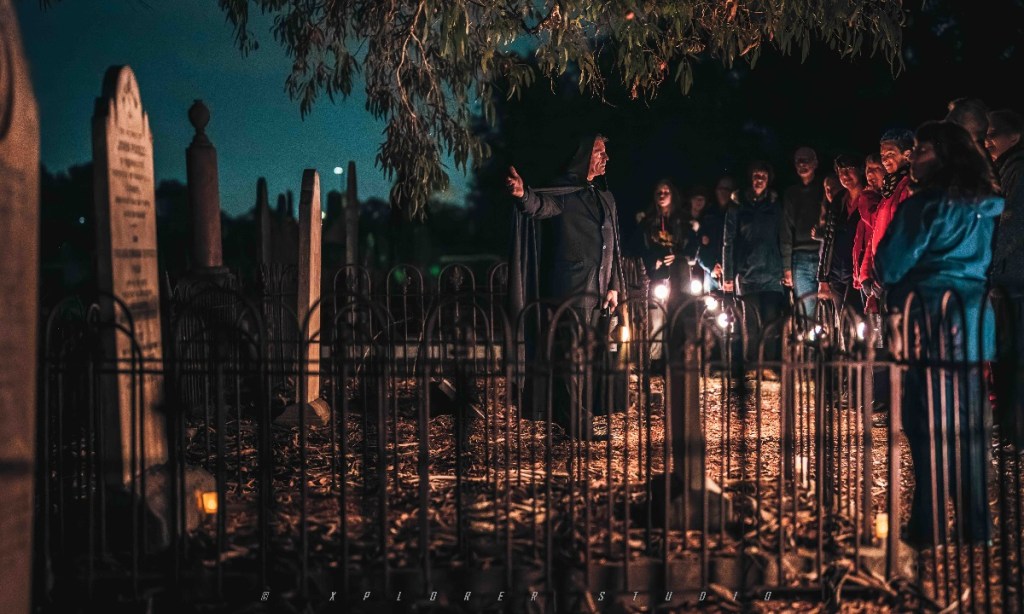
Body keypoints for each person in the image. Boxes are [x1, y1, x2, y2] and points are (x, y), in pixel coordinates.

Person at [875, 120, 1003, 547]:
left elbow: (890, 263)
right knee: (969, 423)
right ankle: (975, 524)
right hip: (970, 318)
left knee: (924, 420)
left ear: (944, 154)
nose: (912, 156)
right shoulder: (986, 204)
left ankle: (928, 522)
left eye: (921, 149)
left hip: (927, 317)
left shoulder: (926, 205)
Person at [506, 135, 625, 437]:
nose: (606, 158)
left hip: (598, 292)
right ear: (583, 157)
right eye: (599, 152)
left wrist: (613, 285)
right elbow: (539, 205)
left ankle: (574, 416)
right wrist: (522, 194)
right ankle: (576, 423)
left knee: (585, 361)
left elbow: (613, 245)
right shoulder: (564, 194)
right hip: (569, 291)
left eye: (605, 152)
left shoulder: (604, 197)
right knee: (570, 360)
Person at [985, 109, 1024, 448]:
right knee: (1004, 353)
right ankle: (1009, 427)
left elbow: (1012, 224)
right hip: (1006, 276)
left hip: (1013, 278)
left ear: (1015, 136)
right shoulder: (1005, 168)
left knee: (1012, 354)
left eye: (994, 133)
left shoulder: (1017, 168)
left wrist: (992, 264)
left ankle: (1014, 430)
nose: (987, 141)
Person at [723, 161, 784, 376]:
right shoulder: (738, 204)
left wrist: (784, 269)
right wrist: (729, 275)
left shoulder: (775, 204)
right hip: (746, 272)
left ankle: (767, 364)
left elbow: (782, 236)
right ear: (750, 177)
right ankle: (751, 364)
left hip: (771, 270)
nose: (759, 179)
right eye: (756, 175)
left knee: (770, 321)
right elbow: (728, 241)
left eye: (763, 176)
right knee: (749, 322)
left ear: (768, 179)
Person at [816, 155, 878, 315]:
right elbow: (829, 239)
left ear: (860, 171)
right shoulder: (839, 200)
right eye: (841, 171)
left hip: (856, 273)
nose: (845, 176)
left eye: (850, 170)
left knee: (854, 319)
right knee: (844, 326)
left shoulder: (870, 197)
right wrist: (823, 277)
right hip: (836, 272)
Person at [636, 180, 688, 364]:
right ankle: (655, 360)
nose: (662, 194)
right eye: (659, 191)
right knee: (656, 318)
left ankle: (676, 358)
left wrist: (679, 256)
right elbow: (642, 247)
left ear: (672, 194)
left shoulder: (682, 220)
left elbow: (689, 246)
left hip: (678, 275)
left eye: (666, 191)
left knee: (677, 316)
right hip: (657, 274)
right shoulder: (647, 220)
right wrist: (654, 260)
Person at [781, 147, 825, 319]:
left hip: (823, 255)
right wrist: (787, 267)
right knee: (807, 312)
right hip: (801, 258)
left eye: (806, 160)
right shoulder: (791, 194)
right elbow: (785, 230)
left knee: (829, 309)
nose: (802, 164)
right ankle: (811, 344)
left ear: (815, 163)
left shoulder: (824, 188)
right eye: (799, 160)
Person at [700, 176, 735, 291]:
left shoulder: (737, 214)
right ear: (716, 190)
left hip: (732, 275)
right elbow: (699, 246)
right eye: (721, 188)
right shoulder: (707, 214)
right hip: (711, 276)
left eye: (728, 189)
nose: (724, 192)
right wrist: (711, 267)